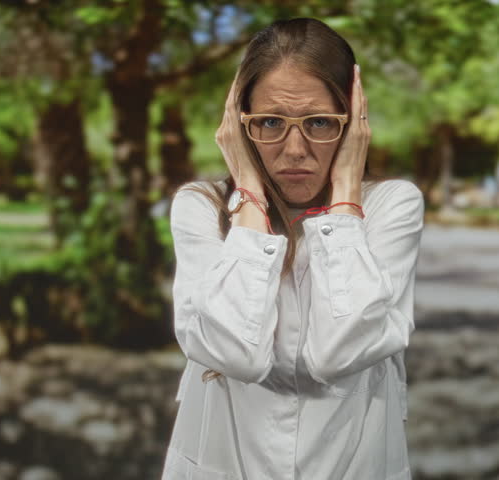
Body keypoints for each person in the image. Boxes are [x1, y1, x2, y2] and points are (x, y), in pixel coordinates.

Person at [161, 17, 424, 480]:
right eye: (270, 123)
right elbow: (236, 353)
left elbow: (338, 352)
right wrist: (249, 199)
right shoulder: (199, 209)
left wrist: (346, 194)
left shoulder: (390, 208)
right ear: (238, 125)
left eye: (320, 122)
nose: (295, 148)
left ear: (354, 124)